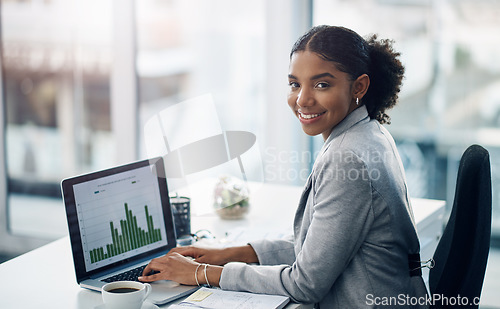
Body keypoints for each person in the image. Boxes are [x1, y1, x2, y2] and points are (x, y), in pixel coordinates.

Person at [139, 25, 428, 308]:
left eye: (322, 84)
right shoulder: (369, 133)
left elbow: (304, 283)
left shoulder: (347, 157)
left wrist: (200, 274)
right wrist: (227, 253)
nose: (302, 99)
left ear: (359, 87)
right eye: (295, 84)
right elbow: (317, 247)